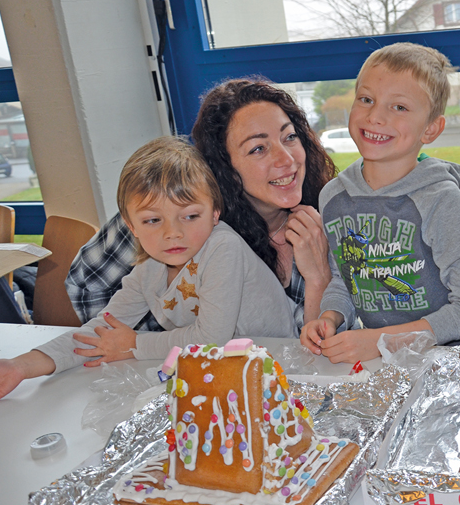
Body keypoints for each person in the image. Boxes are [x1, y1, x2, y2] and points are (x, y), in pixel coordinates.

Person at [0, 137, 295, 400]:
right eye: (153, 220)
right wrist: (20, 367)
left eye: (190, 216)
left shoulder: (223, 248)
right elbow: (98, 334)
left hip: (286, 372)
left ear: (215, 213)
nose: (172, 233)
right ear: (132, 227)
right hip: (228, 377)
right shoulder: (148, 270)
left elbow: (210, 341)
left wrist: (134, 345)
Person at [65, 78, 336, 332]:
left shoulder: (330, 218)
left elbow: (317, 348)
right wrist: (157, 344)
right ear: (224, 167)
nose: (287, 158)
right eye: (258, 149)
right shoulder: (181, 213)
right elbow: (87, 281)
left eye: (290, 137)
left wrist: (319, 279)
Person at [300, 42, 460, 363]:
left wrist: (382, 341)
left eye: (399, 107)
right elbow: (346, 280)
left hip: (452, 367)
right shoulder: (333, 198)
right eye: (366, 99)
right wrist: (330, 318)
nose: (375, 116)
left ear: (430, 129)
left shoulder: (442, 201)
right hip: (384, 367)